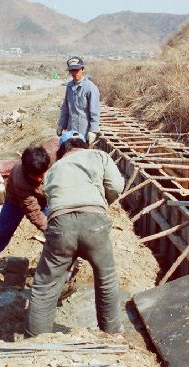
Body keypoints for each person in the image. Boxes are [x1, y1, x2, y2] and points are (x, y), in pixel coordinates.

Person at [26, 131, 125, 337]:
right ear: (83, 146)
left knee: (45, 286)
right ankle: (112, 333)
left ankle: (37, 340)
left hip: (61, 224)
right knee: (106, 278)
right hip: (94, 222)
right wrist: (102, 202)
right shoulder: (99, 155)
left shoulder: (54, 169)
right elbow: (116, 186)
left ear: (63, 151)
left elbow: (51, 198)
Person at [0, 145, 53, 266]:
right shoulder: (20, 180)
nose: (41, 179)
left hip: (41, 196)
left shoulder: (46, 161)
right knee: (3, 231)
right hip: (16, 201)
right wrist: (50, 230)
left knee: (57, 221)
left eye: (42, 174)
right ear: (26, 170)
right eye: (36, 176)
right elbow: (33, 212)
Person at [56, 56, 101, 147]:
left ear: (82, 69)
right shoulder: (69, 86)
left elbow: (95, 112)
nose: (74, 73)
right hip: (71, 130)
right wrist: (61, 125)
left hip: (84, 132)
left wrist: (93, 131)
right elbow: (65, 108)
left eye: (77, 70)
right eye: (72, 70)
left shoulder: (90, 88)